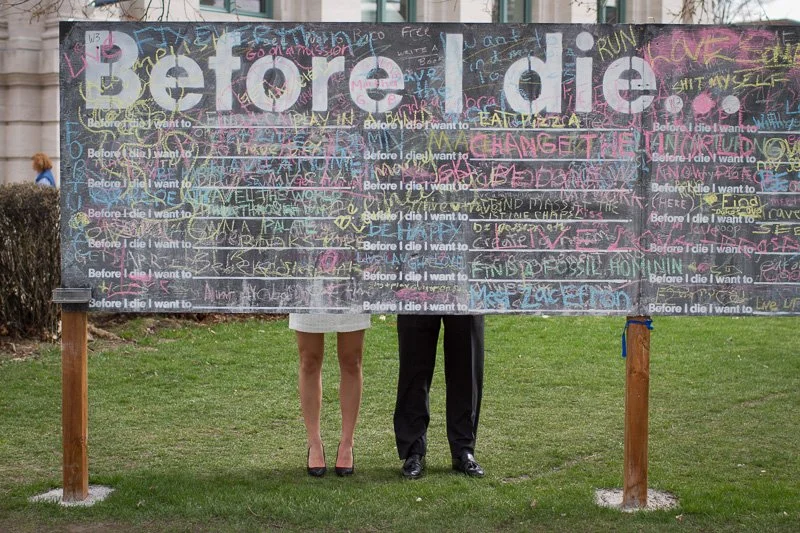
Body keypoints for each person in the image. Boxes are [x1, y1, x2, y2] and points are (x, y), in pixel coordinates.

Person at [393, 314, 485, 479]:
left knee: (466, 361)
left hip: (464, 291)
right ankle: (414, 451)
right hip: (416, 290)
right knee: (413, 363)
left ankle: (463, 449)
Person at [290, 313, 370, 477]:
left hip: (349, 291)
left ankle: (347, 443)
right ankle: (314, 443)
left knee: (352, 360)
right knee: (309, 360)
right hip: (309, 292)